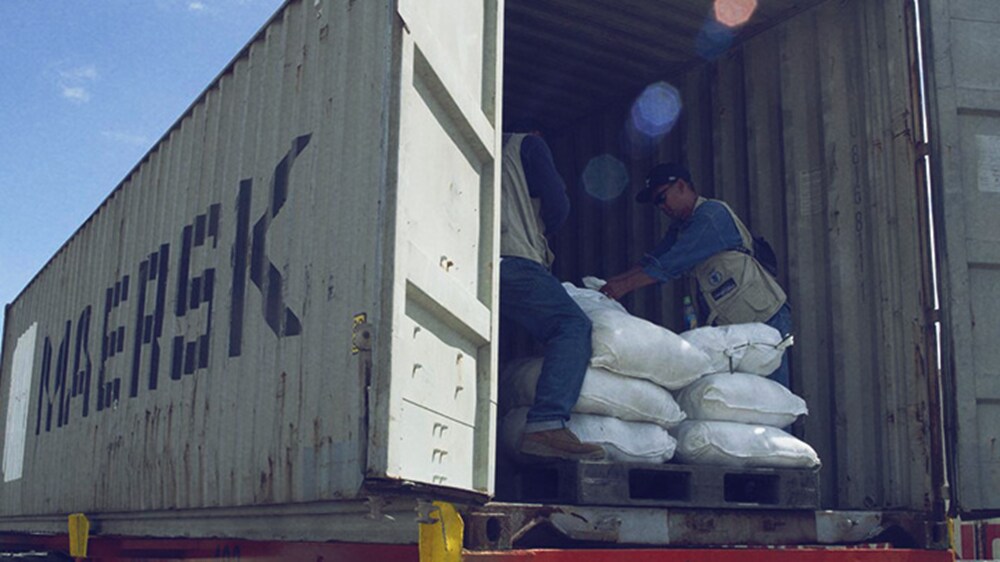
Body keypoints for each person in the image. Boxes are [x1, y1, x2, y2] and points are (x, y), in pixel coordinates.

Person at [599, 162, 793, 388]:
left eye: (661, 198)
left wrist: (621, 288)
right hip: (737, 326)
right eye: (655, 203)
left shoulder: (710, 216)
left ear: (681, 186)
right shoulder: (681, 228)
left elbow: (667, 266)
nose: (661, 207)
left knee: (770, 394)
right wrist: (610, 285)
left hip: (764, 318)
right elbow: (653, 260)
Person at [500, 122, 605, 461]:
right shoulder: (528, 145)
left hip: (464, 260)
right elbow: (558, 201)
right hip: (514, 258)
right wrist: (544, 228)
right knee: (571, 326)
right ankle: (546, 423)